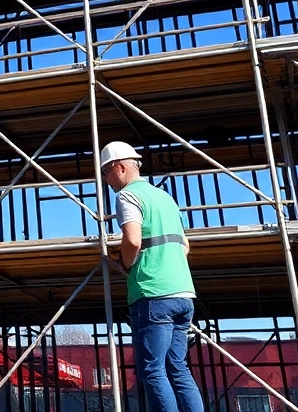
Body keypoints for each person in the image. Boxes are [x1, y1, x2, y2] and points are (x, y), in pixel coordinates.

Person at [100, 142, 203, 412]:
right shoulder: (164, 197)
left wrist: (124, 261)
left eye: (106, 174)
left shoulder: (126, 196)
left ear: (119, 167)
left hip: (152, 293)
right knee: (178, 368)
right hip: (183, 293)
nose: (107, 181)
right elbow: (185, 245)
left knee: (152, 371)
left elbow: (132, 239)